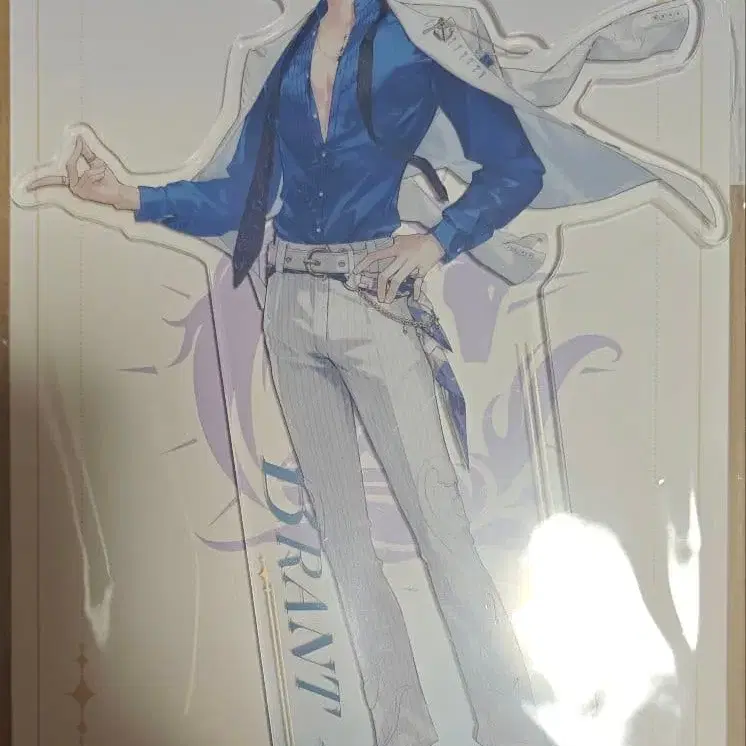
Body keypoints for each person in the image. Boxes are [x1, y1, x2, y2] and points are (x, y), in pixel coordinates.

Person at [25, 0, 719, 744]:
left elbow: (515, 168)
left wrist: (438, 240)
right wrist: (124, 194)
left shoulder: (418, 41)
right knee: (346, 548)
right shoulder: (280, 58)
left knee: (441, 532)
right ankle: (403, 731)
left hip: (375, 296)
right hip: (290, 306)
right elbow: (235, 199)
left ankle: (508, 726)